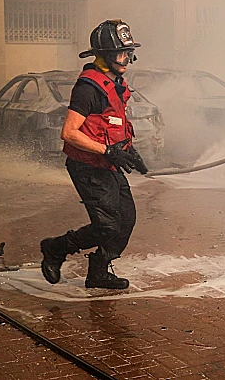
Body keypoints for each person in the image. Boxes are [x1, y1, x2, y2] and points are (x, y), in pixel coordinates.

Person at [40, 20, 148, 290]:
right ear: (104, 55)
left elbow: (110, 125)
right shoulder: (88, 88)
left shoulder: (115, 83)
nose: (127, 58)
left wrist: (129, 152)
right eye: (121, 53)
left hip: (108, 165)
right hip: (88, 167)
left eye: (128, 52)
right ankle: (55, 248)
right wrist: (108, 151)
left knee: (126, 220)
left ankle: (99, 271)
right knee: (108, 226)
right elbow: (69, 132)